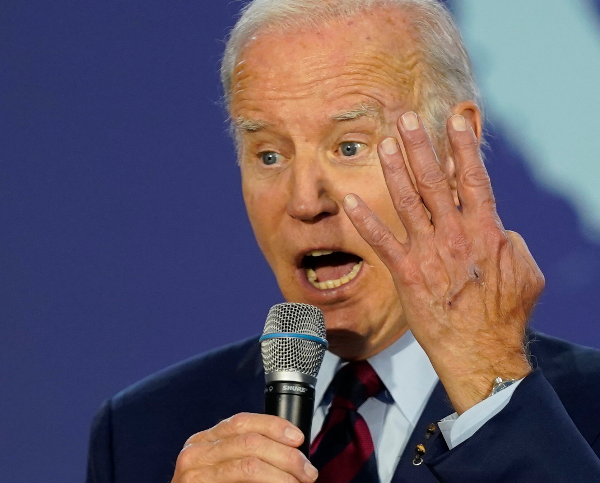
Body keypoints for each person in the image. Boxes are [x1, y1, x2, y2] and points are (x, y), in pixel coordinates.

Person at [86, 1, 600, 482]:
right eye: (268, 155)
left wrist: (491, 390)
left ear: (450, 146)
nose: (306, 201)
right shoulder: (140, 432)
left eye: (349, 146)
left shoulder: (583, 413)